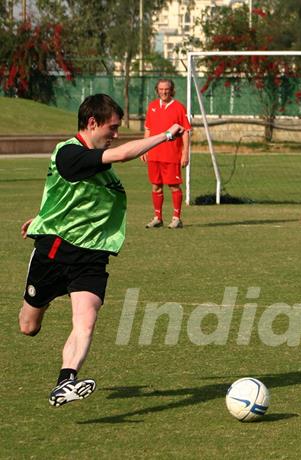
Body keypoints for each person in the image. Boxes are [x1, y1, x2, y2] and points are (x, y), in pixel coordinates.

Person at [19, 94, 185, 406]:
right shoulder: (68, 152)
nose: (116, 134)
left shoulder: (99, 163)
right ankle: (47, 296)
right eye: (112, 127)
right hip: (56, 250)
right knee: (28, 327)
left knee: (86, 321)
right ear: (92, 123)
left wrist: (42, 216)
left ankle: (65, 381)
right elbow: (122, 155)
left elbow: (78, 199)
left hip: (92, 255)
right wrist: (163, 136)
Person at [142, 79, 191, 229]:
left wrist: (185, 153)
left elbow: (186, 132)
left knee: (174, 186)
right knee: (156, 186)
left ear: (172, 90)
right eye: (161, 89)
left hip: (171, 155)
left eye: (167, 89)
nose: (164, 92)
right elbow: (148, 130)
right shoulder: (152, 107)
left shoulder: (179, 108)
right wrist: (144, 148)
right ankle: (158, 217)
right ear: (157, 90)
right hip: (154, 154)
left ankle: (176, 218)